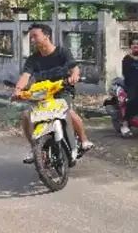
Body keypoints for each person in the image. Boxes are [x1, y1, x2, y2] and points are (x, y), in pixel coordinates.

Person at [13, 23, 93, 164]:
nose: (32, 40)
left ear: (46, 36)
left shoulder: (62, 52)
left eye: (35, 36)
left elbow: (74, 67)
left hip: (62, 91)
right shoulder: (33, 59)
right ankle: (35, 149)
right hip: (42, 94)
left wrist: (74, 76)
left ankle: (83, 140)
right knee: (26, 116)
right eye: (31, 37)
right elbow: (25, 76)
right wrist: (18, 90)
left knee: (68, 112)